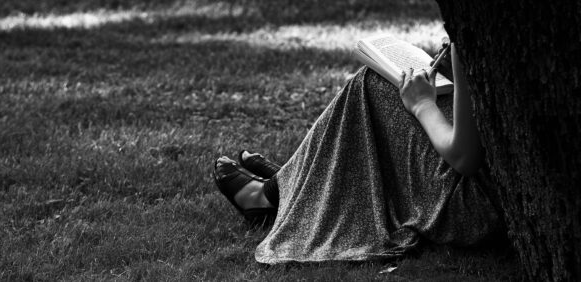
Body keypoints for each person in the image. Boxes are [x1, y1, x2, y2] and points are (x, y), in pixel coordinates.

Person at [212, 44, 504, 264]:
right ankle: (292, 181)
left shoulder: (478, 28)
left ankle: (269, 196)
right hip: (491, 189)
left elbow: (465, 158)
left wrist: (423, 106)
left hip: (476, 205)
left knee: (372, 83)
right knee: (388, 85)